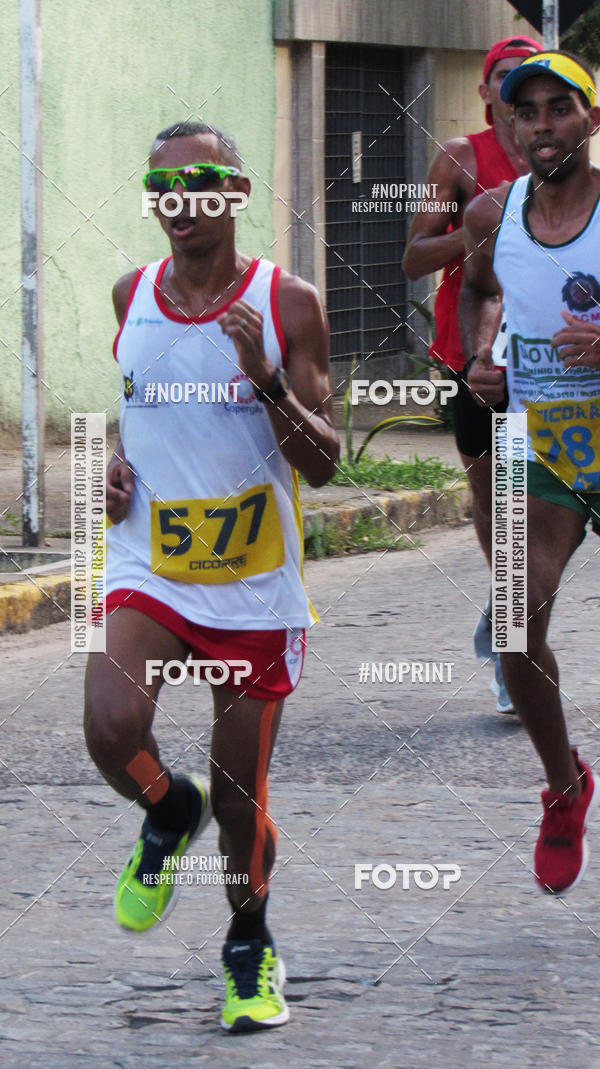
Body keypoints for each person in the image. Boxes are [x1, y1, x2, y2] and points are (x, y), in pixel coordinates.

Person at [83, 121, 340, 1030]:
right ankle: (167, 805)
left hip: (253, 584)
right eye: (162, 186)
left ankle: (248, 941)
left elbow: (325, 463)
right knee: (112, 727)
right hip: (150, 560)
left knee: (242, 799)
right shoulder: (132, 293)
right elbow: (140, 406)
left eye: (199, 180)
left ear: (233, 192)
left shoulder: (287, 302)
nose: (179, 199)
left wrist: (265, 378)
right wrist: (115, 463)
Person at [461, 51, 600, 894]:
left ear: (589, 118)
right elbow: (480, 287)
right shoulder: (490, 212)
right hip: (544, 441)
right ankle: (564, 784)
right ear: (509, 126)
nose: (543, 126)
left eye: (560, 108)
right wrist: (485, 352)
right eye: (528, 113)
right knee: (515, 621)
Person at [402, 36, 541, 714]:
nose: (521, 93)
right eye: (507, 79)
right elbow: (413, 258)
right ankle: (508, 613)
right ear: (488, 93)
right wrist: (482, 231)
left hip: (552, 360)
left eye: (534, 80)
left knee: (531, 510)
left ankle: (511, 627)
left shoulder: (563, 154)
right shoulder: (462, 158)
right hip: (475, 356)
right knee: (496, 505)